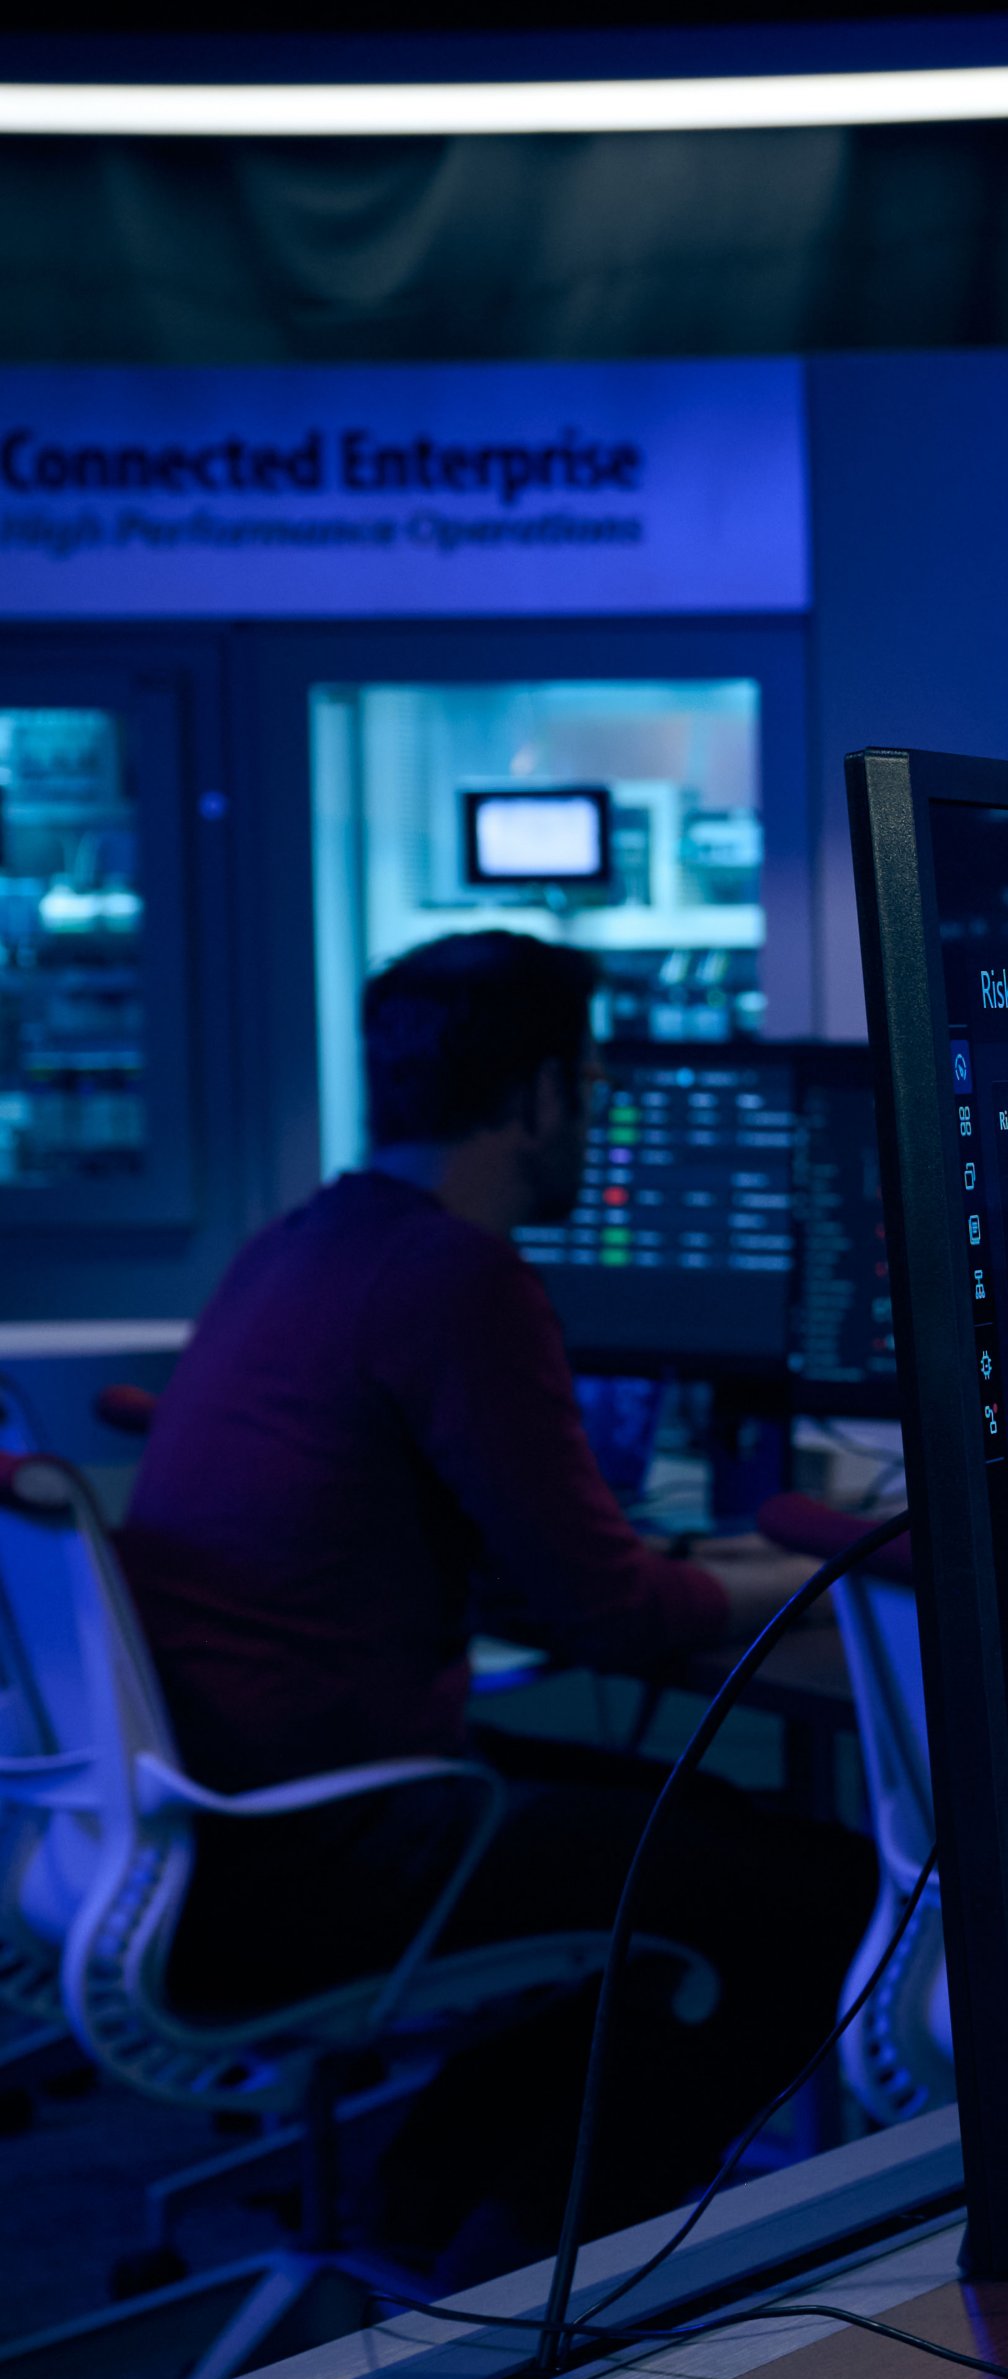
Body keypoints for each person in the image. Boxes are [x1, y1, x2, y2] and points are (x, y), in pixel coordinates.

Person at [117, 933, 871, 2280]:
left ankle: (430, 2204)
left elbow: (502, 1556)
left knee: (708, 1837)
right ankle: (536, 2279)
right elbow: (616, 1616)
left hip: (220, 1813)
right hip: (330, 1845)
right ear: (534, 1097)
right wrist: (806, 1557)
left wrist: (681, 1559)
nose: (597, 1115)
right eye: (590, 1083)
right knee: (818, 1890)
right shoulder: (459, 1277)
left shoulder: (301, 1240)